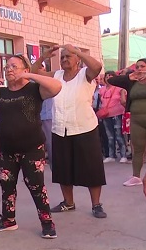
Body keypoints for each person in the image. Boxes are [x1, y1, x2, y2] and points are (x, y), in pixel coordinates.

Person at [0, 55, 62, 238]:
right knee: (7, 187)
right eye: (7, 66)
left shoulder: (34, 89)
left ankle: (47, 222)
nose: (9, 69)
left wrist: (31, 75)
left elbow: (56, 87)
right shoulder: (1, 92)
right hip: (6, 149)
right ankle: (8, 220)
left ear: (25, 69)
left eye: (14, 66)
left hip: (32, 148)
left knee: (37, 187)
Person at [31, 44, 107, 219]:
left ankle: (96, 205)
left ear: (77, 59)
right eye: (62, 57)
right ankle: (68, 202)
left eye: (69, 56)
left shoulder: (85, 74)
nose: (64, 59)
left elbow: (97, 67)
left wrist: (78, 50)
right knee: (62, 168)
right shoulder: (56, 76)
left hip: (85, 128)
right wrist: (43, 57)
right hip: (60, 129)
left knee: (92, 168)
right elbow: (34, 73)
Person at [107, 59, 146, 186]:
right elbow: (111, 80)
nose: (139, 69)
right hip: (137, 120)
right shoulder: (131, 82)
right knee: (138, 149)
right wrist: (129, 76)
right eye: (137, 66)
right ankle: (136, 176)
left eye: (143, 66)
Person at [98, 71, 127, 163]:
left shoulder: (120, 88)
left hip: (117, 114)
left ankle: (123, 155)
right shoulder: (102, 90)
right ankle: (111, 155)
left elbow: (124, 100)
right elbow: (100, 101)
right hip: (106, 115)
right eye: (107, 76)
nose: (108, 78)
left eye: (111, 76)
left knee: (119, 135)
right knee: (109, 136)